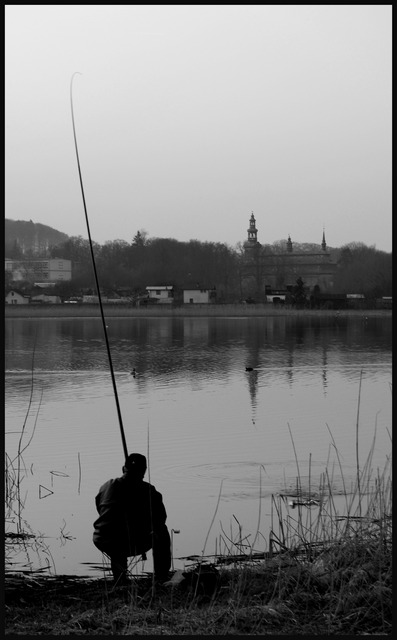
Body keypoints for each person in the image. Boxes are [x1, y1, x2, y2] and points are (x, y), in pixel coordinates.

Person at [93, 453, 171, 586]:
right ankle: (161, 577)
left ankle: (120, 577)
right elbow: (160, 519)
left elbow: (100, 509)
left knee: (115, 531)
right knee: (162, 532)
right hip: (126, 541)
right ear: (144, 471)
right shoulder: (149, 490)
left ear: (123, 469)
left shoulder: (106, 486)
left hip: (102, 538)